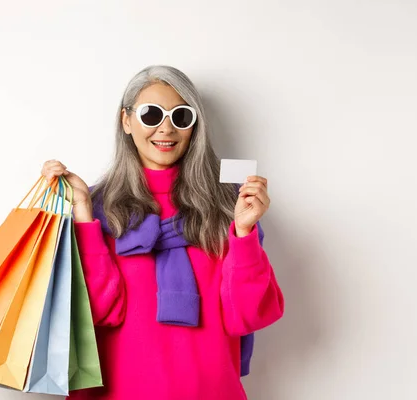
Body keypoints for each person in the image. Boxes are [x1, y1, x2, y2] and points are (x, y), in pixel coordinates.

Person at [40, 65, 284, 400]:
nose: (165, 128)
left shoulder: (230, 206)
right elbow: (95, 313)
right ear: (126, 121)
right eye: (151, 114)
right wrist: (82, 212)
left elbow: (248, 314)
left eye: (180, 116)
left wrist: (243, 232)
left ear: (194, 126)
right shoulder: (97, 207)